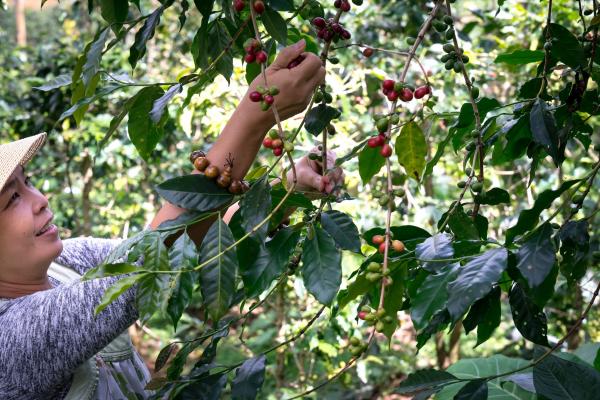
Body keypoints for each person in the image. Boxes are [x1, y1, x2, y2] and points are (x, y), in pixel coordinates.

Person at [0, 40, 344, 399]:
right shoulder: (8, 344)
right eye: (12, 198)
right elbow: (145, 265)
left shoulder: (68, 262)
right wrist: (255, 113)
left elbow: (178, 239)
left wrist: (283, 190)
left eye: (29, 183)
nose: (39, 200)